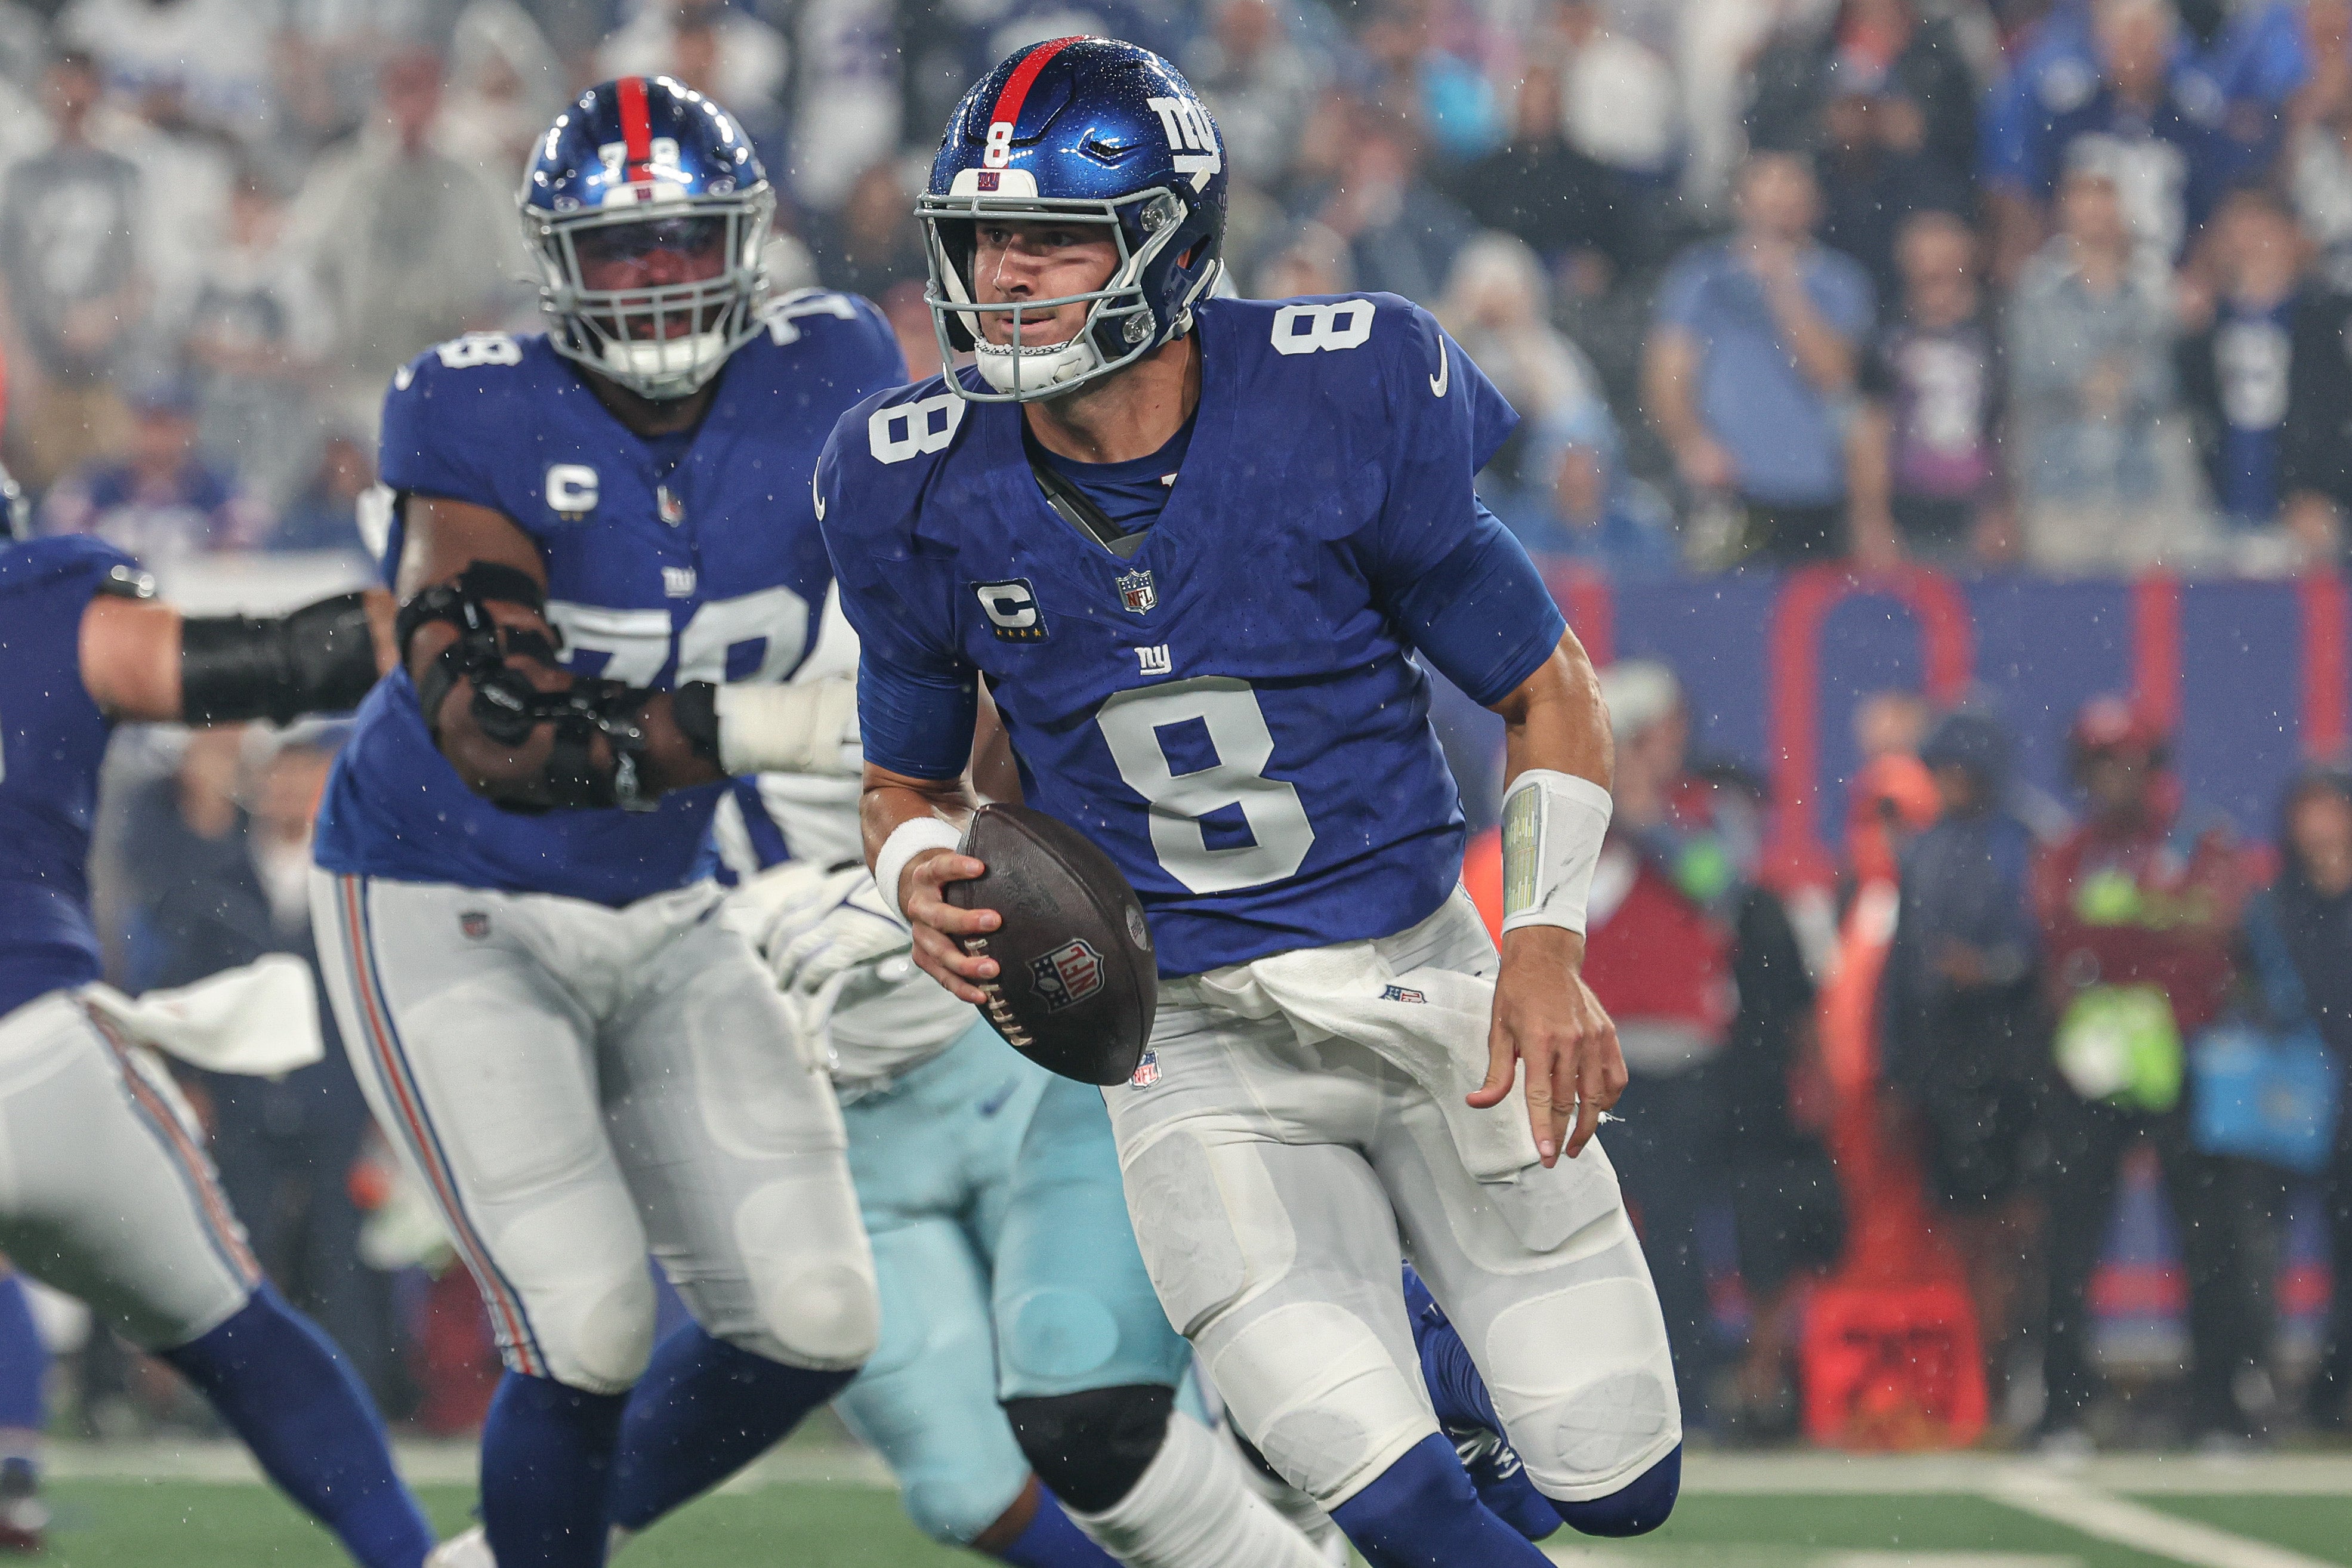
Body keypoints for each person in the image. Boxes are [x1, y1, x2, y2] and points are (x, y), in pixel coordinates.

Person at [822, 38, 1681, 1568]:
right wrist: (917, 876)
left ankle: (1445, 1343)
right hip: (1188, 1041)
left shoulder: (1344, 389)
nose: (1005, 275)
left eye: (1057, 239)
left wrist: (1543, 945)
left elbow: (1548, 688)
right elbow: (904, 783)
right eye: (984, 239)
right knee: (1391, 1501)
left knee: (1618, 1482)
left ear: (1168, 244)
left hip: (1427, 983)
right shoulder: (909, 481)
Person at [303, 80, 901, 1568]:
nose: (651, 276)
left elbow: (949, 572)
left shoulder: (832, 367)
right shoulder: (469, 404)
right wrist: (781, 728)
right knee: (585, 1323)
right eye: (616, 247)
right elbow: (496, 727)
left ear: (747, 241)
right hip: (445, 890)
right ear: (555, 261)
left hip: (669, 897)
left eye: (679, 239)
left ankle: (512, 1548)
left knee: (816, 1318)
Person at [0, 514, 441, 1567]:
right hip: (38, 1054)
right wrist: (444, 602)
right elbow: (299, 660)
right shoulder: (45, 603)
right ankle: (409, 1556)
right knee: (245, 1340)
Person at [2030, 697, 2265, 1449]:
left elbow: (2213, 933)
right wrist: (2150, 922)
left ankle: (2220, 1410)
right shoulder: (2071, 849)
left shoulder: (2199, 839)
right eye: (2100, 764)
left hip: (2182, 1062)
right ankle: (2064, 1408)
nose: (2113, 779)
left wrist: (2125, 929)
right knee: (2069, 1243)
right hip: (2094, 1065)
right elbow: (2060, 932)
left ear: (2151, 767)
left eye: (2126, 761)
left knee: (2211, 1243)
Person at [1878, 709, 2045, 1401]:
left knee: (2021, 1224)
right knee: (1965, 1228)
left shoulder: (2023, 845)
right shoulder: (1924, 851)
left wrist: (1990, 969)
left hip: (2011, 1057)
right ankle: (1984, 1371)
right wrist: (1899, 1070)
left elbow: (2041, 947)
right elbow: (1905, 971)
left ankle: (2024, 1365)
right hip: (1948, 1062)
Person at [1645, 151, 1882, 564]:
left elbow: (1834, 374)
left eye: (1790, 186)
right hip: (1729, 488)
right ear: (1741, 201)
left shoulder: (1841, 282)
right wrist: (1692, 444)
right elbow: (1667, 373)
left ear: (1814, 203)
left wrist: (1783, 284)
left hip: (1816, 488)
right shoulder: (1702, 277)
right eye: (1767, 186)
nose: (1779, 199)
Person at [2241, 765, 2352, 1433]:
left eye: (2331, 807)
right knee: (2258, 1245)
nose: (2320, 824)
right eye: (2308, 808)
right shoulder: (2273, 903)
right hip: (2289, 1093)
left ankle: (2336, 1389)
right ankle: (2260, 1386)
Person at [1850, 211, 2007, 567]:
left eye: (1947, 256)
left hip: (1973, 508)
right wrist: (1872, 519)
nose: (1937, 269)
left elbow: (2005, 427)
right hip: (1907, 505)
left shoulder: (1993, 329)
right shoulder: (1887, 333)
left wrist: (2001, 508)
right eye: (1927, 257)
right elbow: (1869, 431)